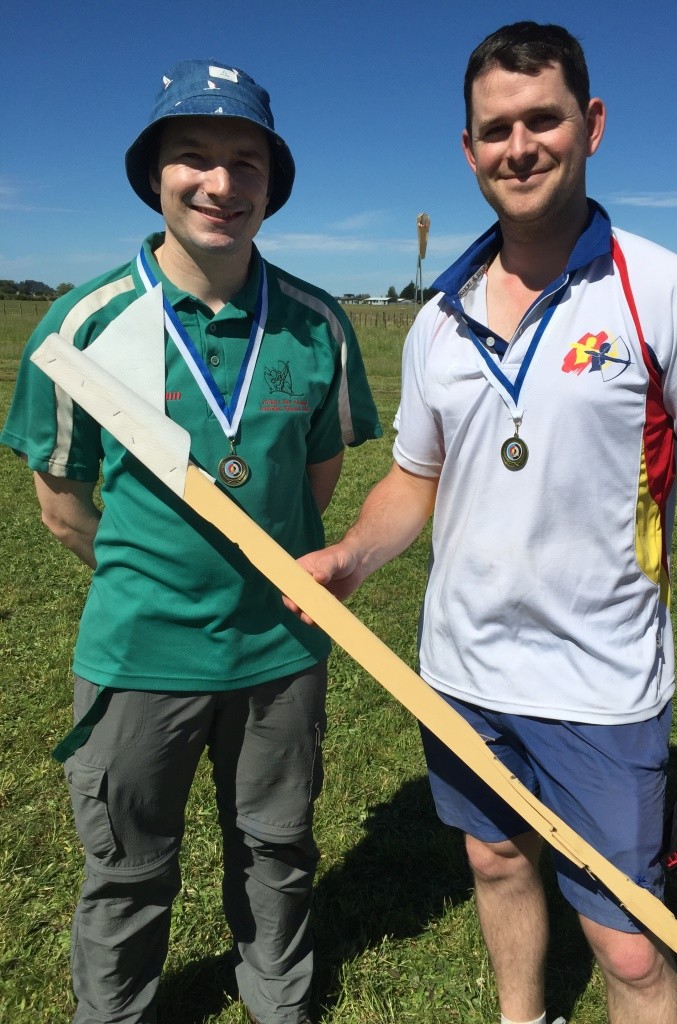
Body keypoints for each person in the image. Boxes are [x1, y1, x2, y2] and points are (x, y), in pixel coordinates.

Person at [286, 22, 677, 1024]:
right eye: (495, 129)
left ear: (589, 123)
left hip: (602, 682)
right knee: (495, 857)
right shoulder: (439, 317)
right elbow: (414, 480)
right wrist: (351, 554)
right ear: (468, 150)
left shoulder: (667, 292)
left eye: (542, 119)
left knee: (630, 946)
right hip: (461, 669)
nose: (520, 145)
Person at [1, 59, 380, 1024]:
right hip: (139, 652)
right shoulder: (82, 323)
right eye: (193, 158)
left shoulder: (317, 323)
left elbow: (317, 479)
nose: (220, 183)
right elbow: (62, 507)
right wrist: (157, 576)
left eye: (244, 162)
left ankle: (278, 1001)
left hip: (280, 649)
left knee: (278, 846)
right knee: (127, 867)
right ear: (156, 175)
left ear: (270, 184)